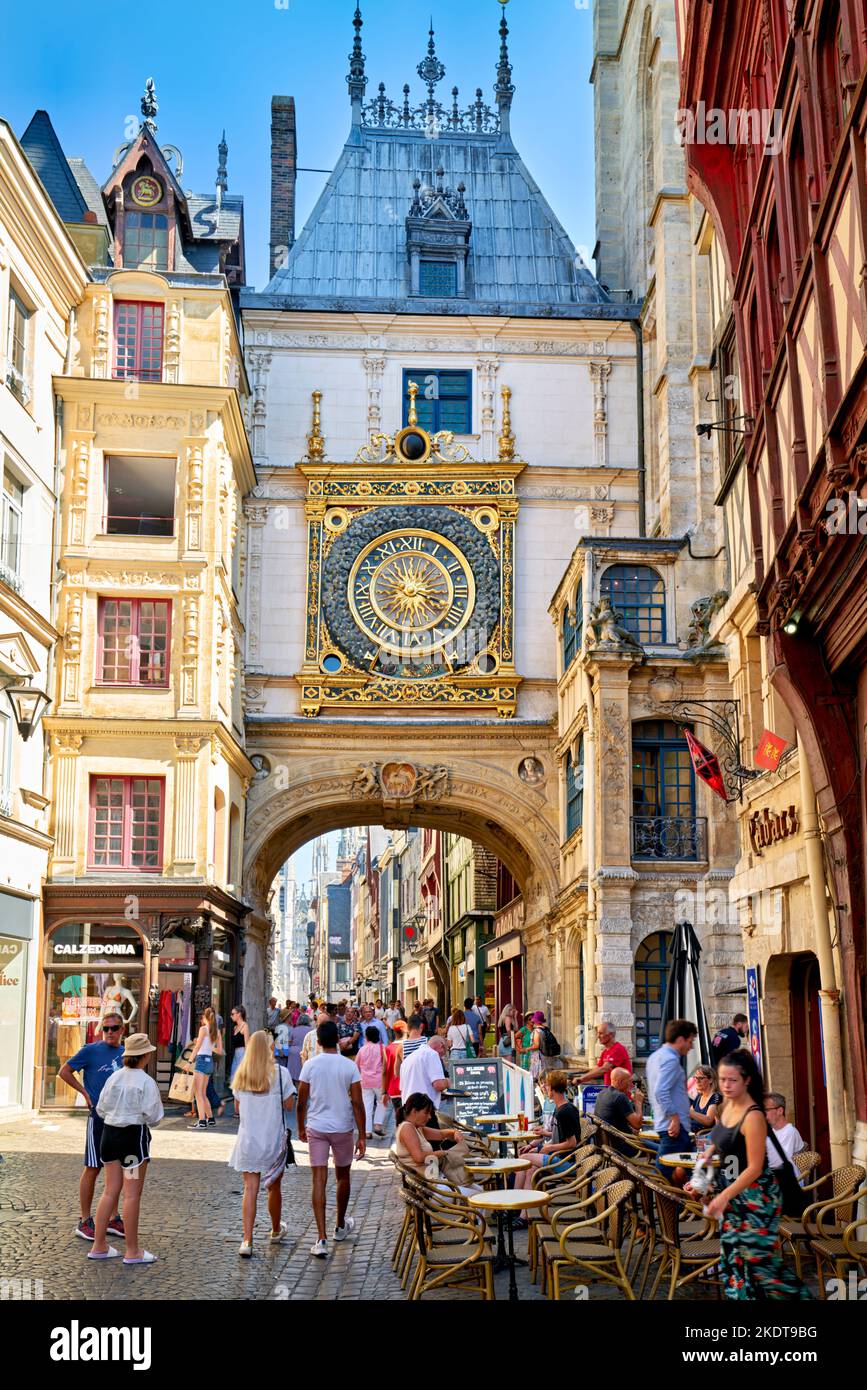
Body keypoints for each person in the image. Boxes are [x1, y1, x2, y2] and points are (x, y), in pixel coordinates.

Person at [689, 1050, 810, 1300]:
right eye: (722, 1079)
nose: (726, 1085)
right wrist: (703, 1175)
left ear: (747, 1080)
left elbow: (754, 1167)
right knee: (734, 1263)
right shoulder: (729, 1106)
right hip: (734, 1196)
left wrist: (723, 1197)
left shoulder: (754, 1115)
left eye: (732, 1080)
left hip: (756, 1199)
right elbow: (719, 1144)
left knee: (761, 1267)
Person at [88, 1033, 163, 1265]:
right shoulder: (146, 1081)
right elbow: (154, 1116)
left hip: (109, 1137)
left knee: (110, 1191)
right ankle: (132, 1251)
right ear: (145, 1056)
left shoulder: (114, 1077)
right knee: (131, 1194)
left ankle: (98, 1245)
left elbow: (101, 1108)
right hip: (132, 1141)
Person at [297, 1020, 366, 1259]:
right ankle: (339, 1226)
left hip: (316, 1126)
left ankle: (321, 1238)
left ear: (317, 1042)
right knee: (342, 1176)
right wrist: (362, 1135)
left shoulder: (310, 1066)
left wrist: (300, 1127)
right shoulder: (349, 1066)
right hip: (342, 1127)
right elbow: (357, 1103)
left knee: (319, 1180)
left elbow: (301, 1101)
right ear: (338, 1039)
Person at [59, 1011, 126, 1243]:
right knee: (93, 1167)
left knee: (115, 1168)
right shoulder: (90, 1050)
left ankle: (112, 1218)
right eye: (106, 1028)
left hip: (120, 1119)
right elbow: (64, 1071)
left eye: (114, 1028)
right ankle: (85, 1220)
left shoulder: (125, 1053)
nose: (109, 1032)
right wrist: (85, 1093)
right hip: (98, 1117)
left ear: (122, 1030)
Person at [229, 1030, 296, 1257]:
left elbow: (237, 1108)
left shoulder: (241, 1074)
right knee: (274, 1188)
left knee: (250, 1189)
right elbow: (288, 1105)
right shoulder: (280, 1074)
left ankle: (247, 1240)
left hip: (249, 1140)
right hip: (272, 1140)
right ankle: (275, 1229)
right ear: (269, 1048)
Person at [512, 1071, 583, 1224]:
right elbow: (559, 1135)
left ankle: (512, 1206)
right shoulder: (560, 1108)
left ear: (553, 1089)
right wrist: (544, 1137)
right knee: (529, 1169)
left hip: (565, 1162)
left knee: (523, 1159)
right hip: (557, 1157)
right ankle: (522, 1214)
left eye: (547, 1086)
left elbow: (572, 1143)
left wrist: (549, 1148)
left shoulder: (565, 1111)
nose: (544, 1088)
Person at [394, 1093, 474, 1193]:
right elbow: (418, 1157)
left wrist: (455, 1132)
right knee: (477, 1197)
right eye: (426, 1113)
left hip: (433, 1180)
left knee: (478, 1190)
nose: (429, 1117)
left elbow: (441, 1134)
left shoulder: (416, 1127)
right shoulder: (407, 1128)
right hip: (428, 1188)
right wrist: (441, 1153)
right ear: (414, 1111)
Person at [646, 1018, 697, 1170]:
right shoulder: (670, 1060)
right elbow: (660, 1090)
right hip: (674, 1128)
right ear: (681, 1040)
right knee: (664, 1173)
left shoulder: (655, 1057)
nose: (691, 1046)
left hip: (669, 1125)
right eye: (690, 1041)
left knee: (691, 1172)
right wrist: (674, 1117)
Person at [398, 1016, 450, 1129]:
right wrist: (447, 1082)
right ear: (441, 1046)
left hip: (408, 1110)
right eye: (444, 1051)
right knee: (432, 1143)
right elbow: (438, 1085)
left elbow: (403, 1087)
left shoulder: (408, 1059)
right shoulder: (432, 1054)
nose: (443, 1055)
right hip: (424, 1110)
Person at [593, 1067, 645, 1154]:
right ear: (620, 1082)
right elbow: (637, 1125)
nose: (631, 1085)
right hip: (623, 1146)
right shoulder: (620, 1097)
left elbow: (615, 1121)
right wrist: (638, 1102)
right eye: (629, 1082)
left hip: (605, 1145)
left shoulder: (602, 1093)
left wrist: (631, 1130)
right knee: (660, 1149)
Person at [188, 1007, 221, 1130]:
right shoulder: (216, 1032)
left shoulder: (203, 1029)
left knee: (198, 1093)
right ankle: (210, 1119)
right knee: (203, 1092)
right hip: (209, 1062)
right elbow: (219, 1050)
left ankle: (202, 1121)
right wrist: (209, 1047)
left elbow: (196, 1048)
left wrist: (189, 1061)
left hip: (201, 1061)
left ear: (205, 1017)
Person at [572, 1021, 631, 1086]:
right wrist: (581, 1077)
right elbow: (597, 1069)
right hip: (611, 1091)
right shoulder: (605, 1052)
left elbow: (604, 1069)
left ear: (611, 1035)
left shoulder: (618, 1049)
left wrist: (581, 1079)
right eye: (598, 1033)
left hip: (621, 1093)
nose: (598, 1036)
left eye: (601, 1033)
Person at [763, 1092, 807, 1175]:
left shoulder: (789, 1131)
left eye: (767, 1110)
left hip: (789, 1180)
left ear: (780, 1111)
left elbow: (780, 1161)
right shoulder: (772, 1131)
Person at [357, 1025, 387, 1138]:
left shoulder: (362, 1049)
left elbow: (356, 1066)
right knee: (382, 1102)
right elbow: (386, 1065)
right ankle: (378, 1125)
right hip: (379, 1081)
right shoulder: (382, 1048)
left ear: (366, 1037)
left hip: (364, 1081)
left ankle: (367, 1131)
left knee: (367, 1105)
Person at [381, 1019, 406, 1123]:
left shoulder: (387, 1048)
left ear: (394, 1032)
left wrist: (384, 1092)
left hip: (394, 1089)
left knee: (399, 1117)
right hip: (407, 1087)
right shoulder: (408, 1046)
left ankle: (399, 1136)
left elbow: (384, 1072)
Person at [690, 1065, 722, 1134]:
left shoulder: (716, 1097)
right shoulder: (699, 1097)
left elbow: (708, 1121)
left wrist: (690, 1113)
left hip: (704, 1136)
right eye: (696, 1078)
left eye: (701, 1078)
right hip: (693, 1134)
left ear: (710, 1080)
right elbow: (689, 1114)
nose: (697, 1081)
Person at [229, 1004, 250, 1108]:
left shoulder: (244, 1026)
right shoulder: (235, 1027)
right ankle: (237, 1109)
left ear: (239, 1014)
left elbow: (247, 1044)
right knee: (234, 1082)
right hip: (236, 1055)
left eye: (233, 1014)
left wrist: (246, 1060)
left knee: (241, 1081)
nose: (231, 1016)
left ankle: (242, 1109)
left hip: (242, 1055)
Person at [287, 1013, 313, 1084]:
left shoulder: (293, 1029)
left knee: (294, 1073)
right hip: (306, 1052)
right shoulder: (311, 1030)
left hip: (294, 1053)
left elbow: (289, 1042)